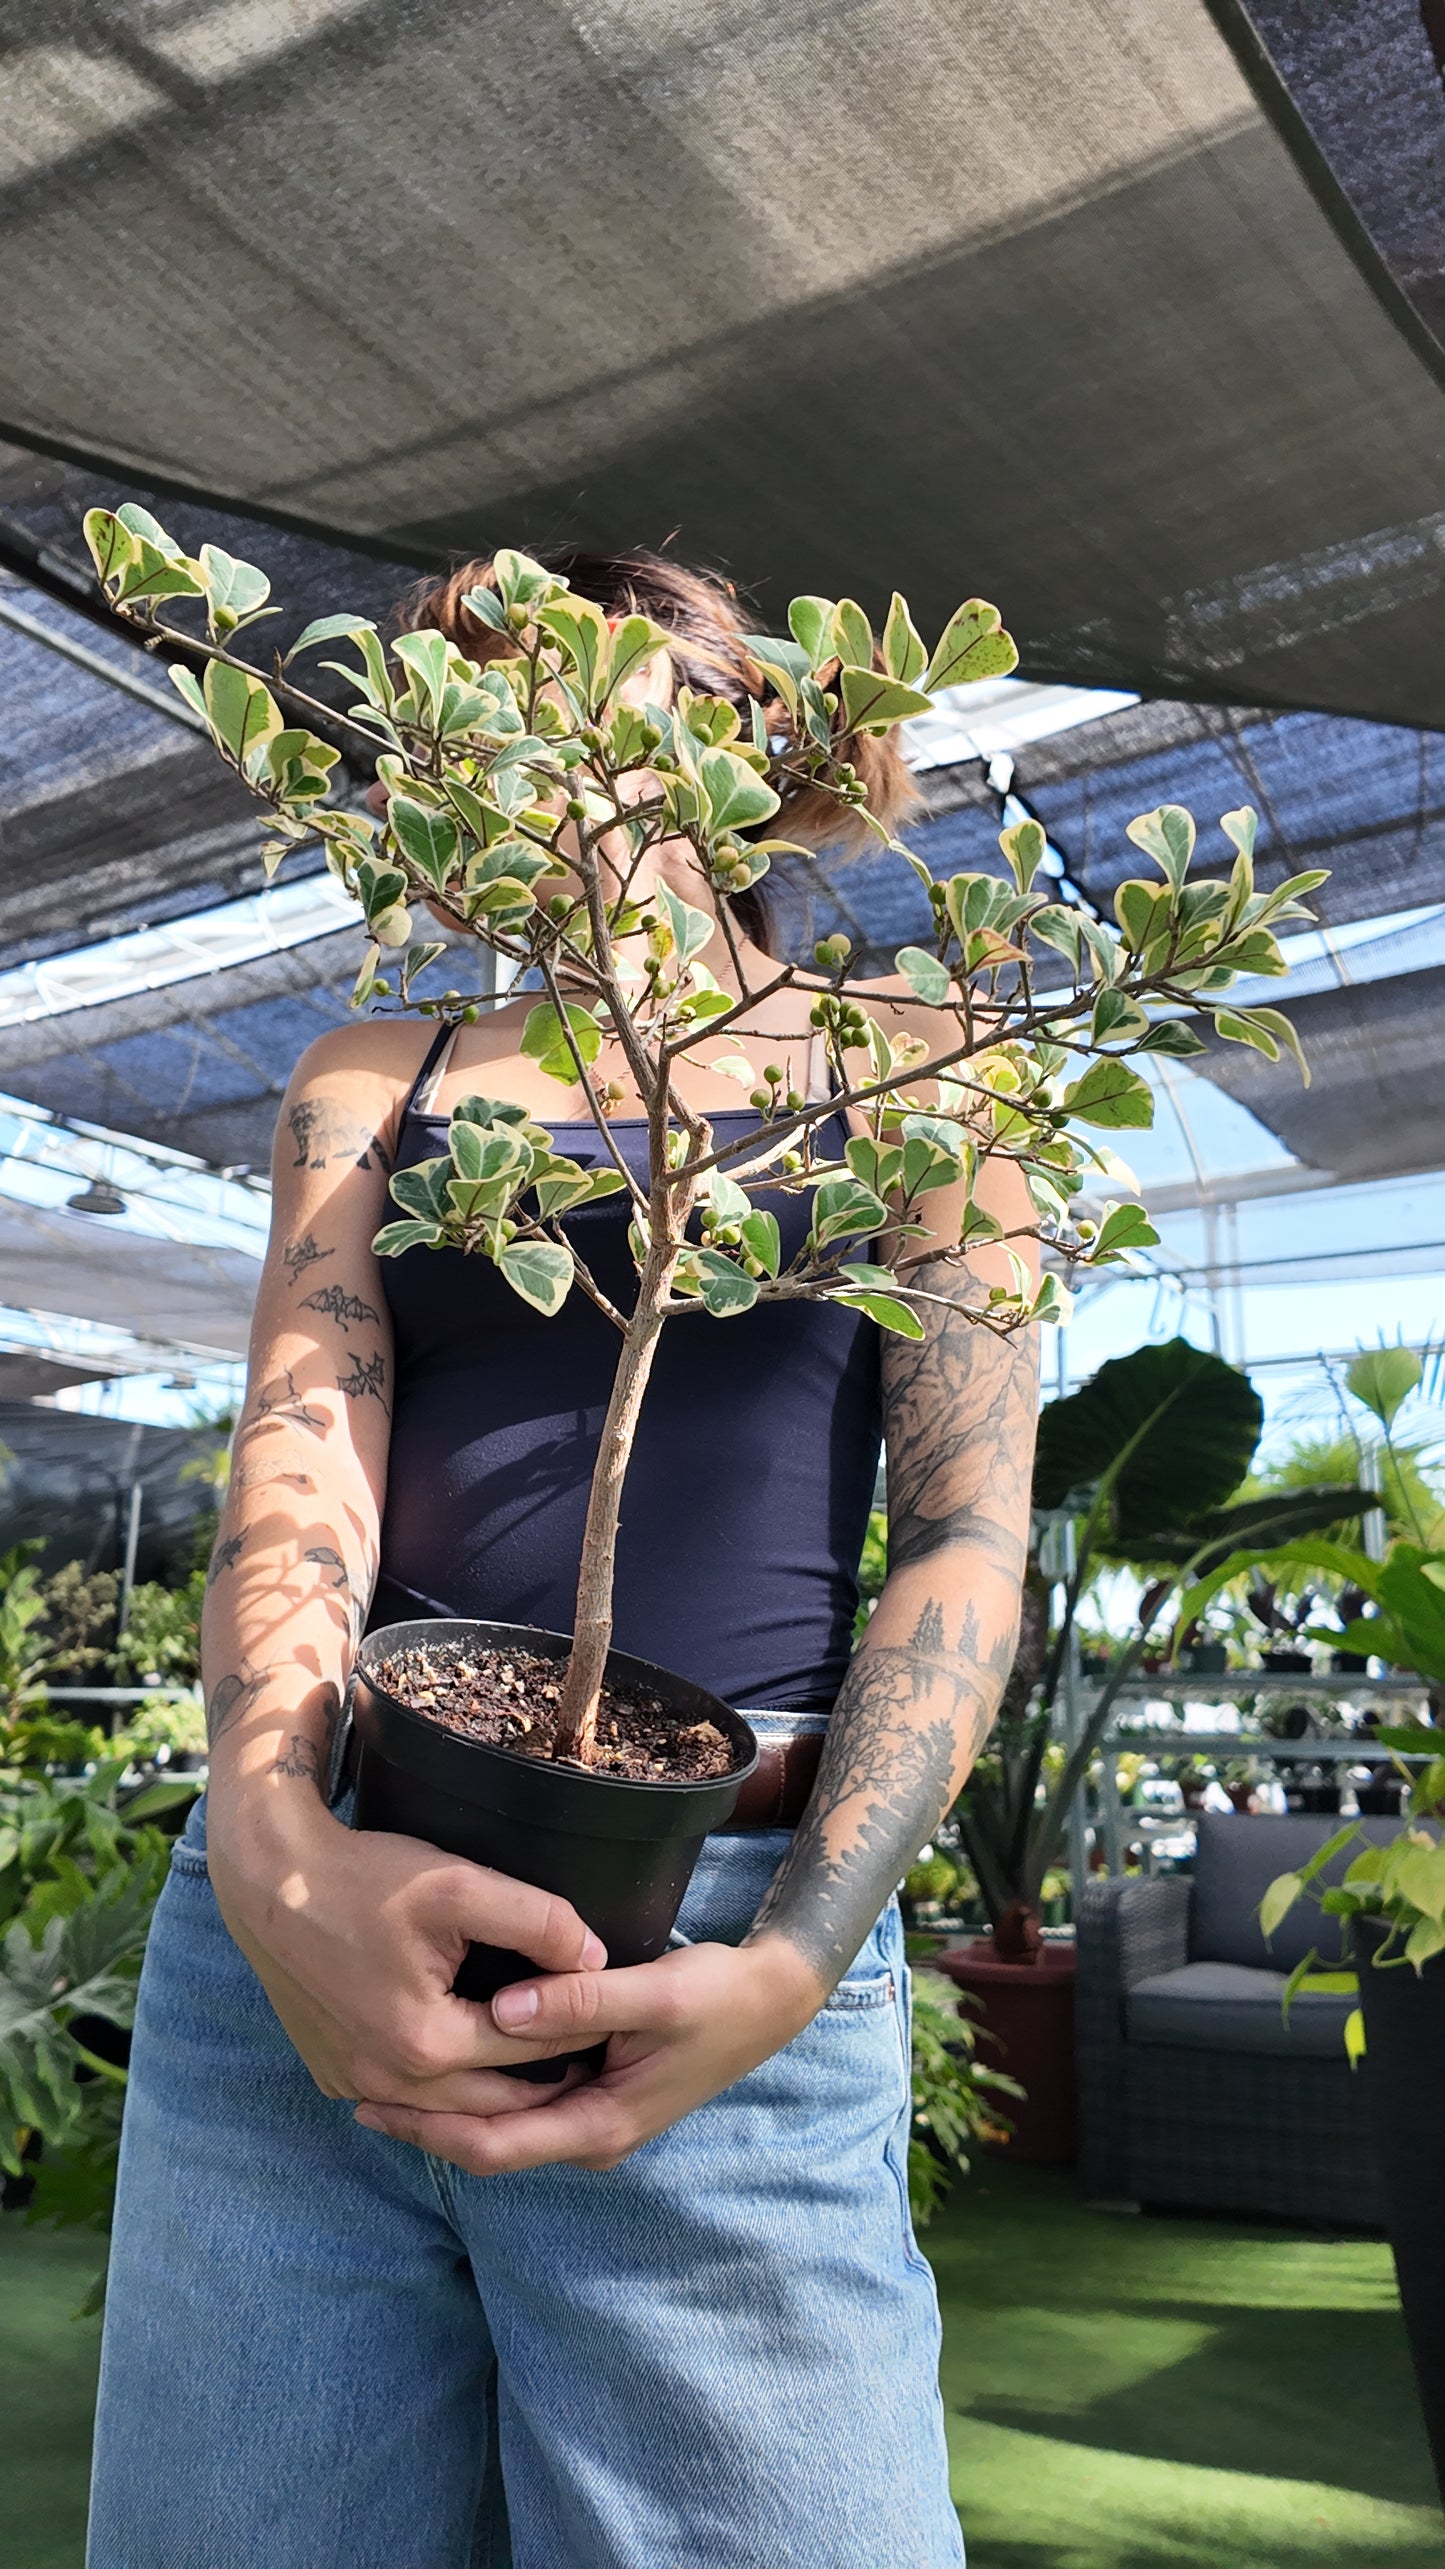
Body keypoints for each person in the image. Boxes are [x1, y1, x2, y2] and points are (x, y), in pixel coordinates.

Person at [87, 549, 1038, 2568]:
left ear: (720, 728)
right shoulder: (379, 1082)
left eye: (553, 703)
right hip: (315, 1915)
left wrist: (791, 1957)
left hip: (711, 1919)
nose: (505, 766)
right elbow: (299, 1473)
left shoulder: (919, 1063)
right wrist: (272, 1858)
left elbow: (959, 1538)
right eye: (453, 724)